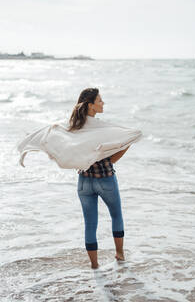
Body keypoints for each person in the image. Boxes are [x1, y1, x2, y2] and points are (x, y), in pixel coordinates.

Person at [67, 88, 130, 269]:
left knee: (90, 224)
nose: (103, 103)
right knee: (116, 216)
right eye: (100, 100)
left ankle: (94, 265)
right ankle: (119, 254)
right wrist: (127, 145)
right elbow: (110, 160)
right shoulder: (101, 128)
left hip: (84, 182)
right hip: (105, 180)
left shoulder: (74, 127)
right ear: (91, 105)